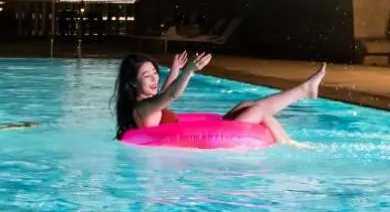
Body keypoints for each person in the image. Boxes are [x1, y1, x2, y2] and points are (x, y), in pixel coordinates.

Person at [113, 51, 325, 147]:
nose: (153, 78)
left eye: (154, 72)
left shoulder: (146, 105)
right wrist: (189, 70)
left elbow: (164, 96)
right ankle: (289, 143)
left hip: (195, 130)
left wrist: (175, 70)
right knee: (259, 111)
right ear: (132, 82)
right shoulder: (142, 107)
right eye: (146, 75)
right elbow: (171, 95)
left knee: (246, 105)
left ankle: (304, 91)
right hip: (191, 137)